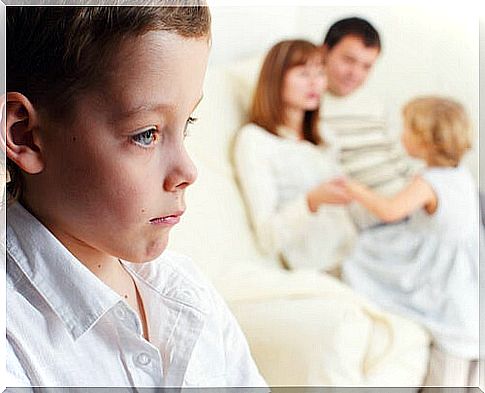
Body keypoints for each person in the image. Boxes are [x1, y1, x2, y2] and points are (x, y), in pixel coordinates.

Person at [3, 5, 267, 387]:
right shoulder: (12, 338)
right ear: (26, 135)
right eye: (146, 134)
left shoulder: (189, 295)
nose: (188, 172)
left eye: (187, 123)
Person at [341, 96, 479, 387]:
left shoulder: (429, 182)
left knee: (361, 258)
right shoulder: (461, 175)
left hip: (440, 271)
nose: (400, 135)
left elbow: (390, 211)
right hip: (467, 268)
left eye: (406, 130)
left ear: (426, 141)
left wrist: (355, 190)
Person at [234, 39, 356, 272]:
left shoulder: (324, 136)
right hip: (322, 265)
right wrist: (312, 201)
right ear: (276, 80)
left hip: (353, 251)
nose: (315, 83)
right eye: (303, 73)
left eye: (320, 73)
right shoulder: (255, 141)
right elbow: (268, 236)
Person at [320, 17, 422, 229]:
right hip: (379, 215)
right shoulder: (310, 106)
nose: (355, 74)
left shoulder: (375, 104)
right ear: (324, 52)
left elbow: (400, 158)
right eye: (348, 60)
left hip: (414, 201)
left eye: (366, 66)